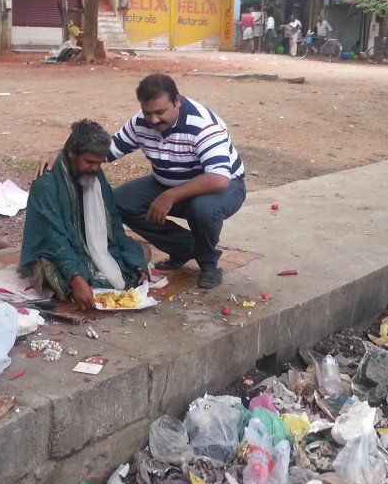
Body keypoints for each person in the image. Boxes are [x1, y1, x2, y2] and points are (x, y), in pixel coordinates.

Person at [109, 74, 246, 289]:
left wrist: (169, 196)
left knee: (203, 210)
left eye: (160, 112)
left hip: (225, 186)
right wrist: (63, 154)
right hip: (168, 183)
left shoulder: (202, 125)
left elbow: (219, 178)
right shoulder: (140, 123)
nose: (153, 120)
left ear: (177, 102)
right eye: (148, 112)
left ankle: (209, 263)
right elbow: (107, 149)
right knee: (118, 201)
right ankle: (185, 248)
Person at [21, 120, 148, 310]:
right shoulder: (46, 182)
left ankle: (91, 274)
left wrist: (136, 263)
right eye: (89, 162)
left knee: (142, 252)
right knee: (48, 270)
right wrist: (76, 278)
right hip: (55, 251)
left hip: (90, 249)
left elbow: (114, 226)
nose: (96, 168)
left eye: (99, 162)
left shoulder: (95, 175)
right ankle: (82, 278)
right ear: (72, 154)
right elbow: (53, 238)